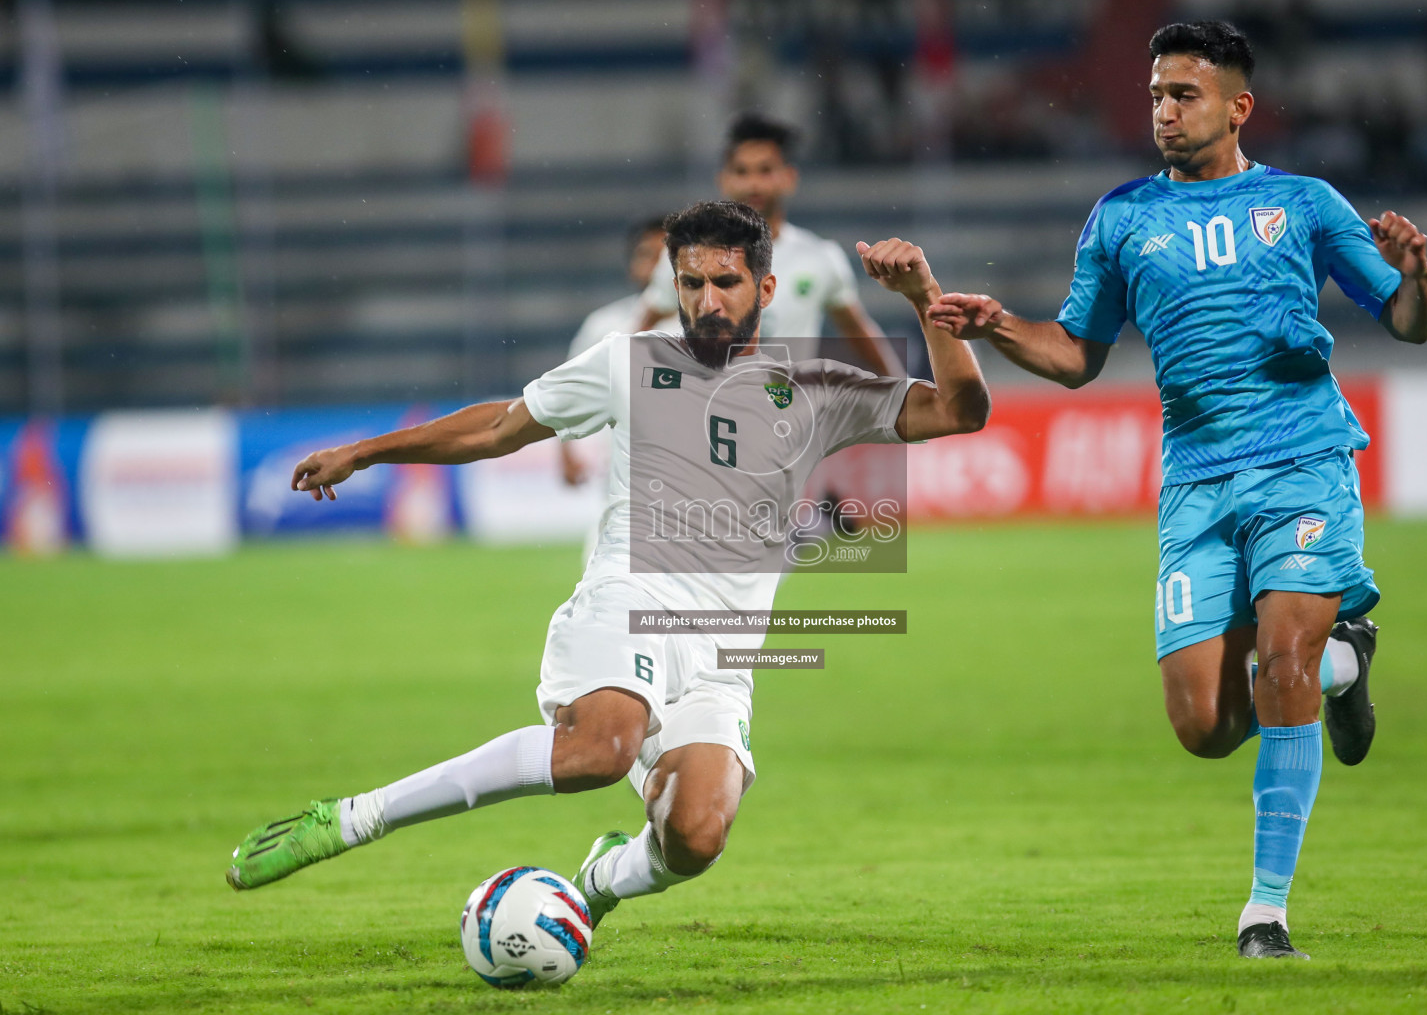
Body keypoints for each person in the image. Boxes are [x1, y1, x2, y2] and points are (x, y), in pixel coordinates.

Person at [224, 203, 989, 941]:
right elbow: (498, 426)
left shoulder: (818, 393)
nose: (707, 301)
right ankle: (355, 817)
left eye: (725, 283)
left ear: (766, 289)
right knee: (599, 750)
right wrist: (366, 450)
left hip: (724, 654)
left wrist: (925, 299)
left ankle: (598, 883)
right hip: (630, 595)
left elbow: (961, 410)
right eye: (691, 284)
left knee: (696, 836)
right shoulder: (631, 362)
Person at [922, 21, 1427, 959]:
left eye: (1184, 95)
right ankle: (1344, 666)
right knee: (1203, 724)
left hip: (1301, 462)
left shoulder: (1305, 203)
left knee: (1280, 665)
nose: (1162, 110)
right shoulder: (1120, 218)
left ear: (1239, 106)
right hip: (1195, 484)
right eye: (1157, 93)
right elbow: (1077, 355)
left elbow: (1406, 323)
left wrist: (1416, 276)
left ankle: (1266, 911)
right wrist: (999, 326)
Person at [634, 113, 904, 377]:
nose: (753, 184)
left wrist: (901, 386)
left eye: (765, 170)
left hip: (788, 413)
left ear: (789, 177)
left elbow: (858, 331)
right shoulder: (691, 259)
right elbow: (643, 326)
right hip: (711, 408)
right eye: (742, 171)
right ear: (724, 179)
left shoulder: (821, 257)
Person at [558, 216, 677, 488]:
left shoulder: (703, 325)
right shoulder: (604, 323)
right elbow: (567, 388)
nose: (657, 265)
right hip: (621, 480)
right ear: (632, 266)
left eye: (666, 256)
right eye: (647, 255)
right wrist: (565, 451)